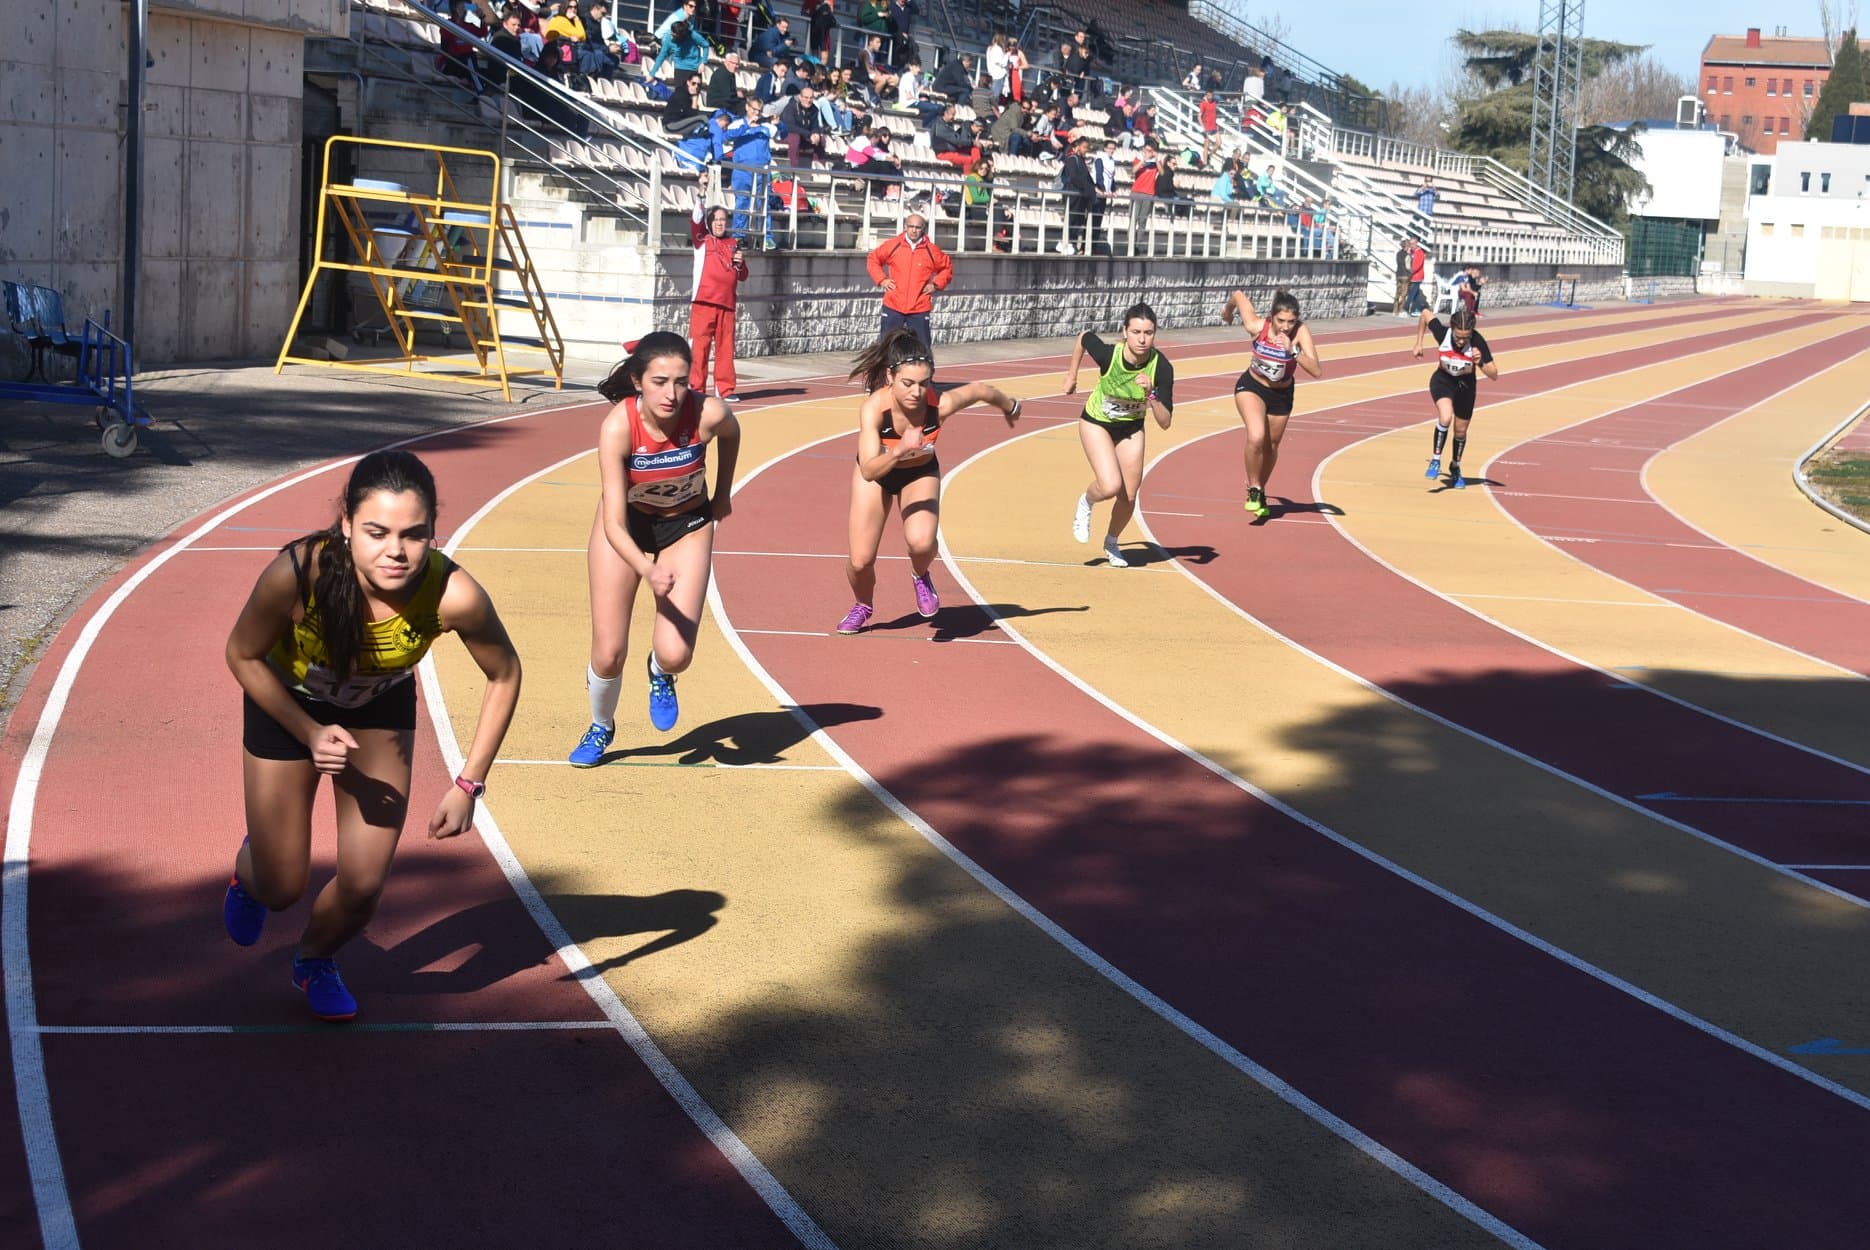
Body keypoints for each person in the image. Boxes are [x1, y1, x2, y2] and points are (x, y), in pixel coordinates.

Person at [221, 451, 522, 1022]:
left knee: (363, 886)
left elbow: (505, 674)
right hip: (286, 705)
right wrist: (310, 732)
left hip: (376, 710)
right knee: (281, 886)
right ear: (347, 525)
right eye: (377, 532)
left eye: (414, 534)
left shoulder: (453, 595)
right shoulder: (298, 573)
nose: (396, 551)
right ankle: (251, 869)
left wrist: (469, 783)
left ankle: (314, 960)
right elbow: (241, 654)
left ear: (433, 533)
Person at [569, 334, 741, 764]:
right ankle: (600, 726)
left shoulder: (708, 413)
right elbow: (612, 523)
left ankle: (660, 672)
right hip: (626, 526)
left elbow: (732, 432)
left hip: (686, 525)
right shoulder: (618, 427)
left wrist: (723, 492)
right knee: (608, 652)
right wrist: (646, 571)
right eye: (660, 382)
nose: (671, 394)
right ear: (638, 381)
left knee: (676, 653)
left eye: (681, 382)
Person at [835, 331, 1022, 634]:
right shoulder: (874, 408)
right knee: (860, 561)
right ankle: (863, 605)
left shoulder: (940, 405)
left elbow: (979, 390)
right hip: (877, 475)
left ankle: (920, 574)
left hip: (919, 473)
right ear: (890, 377)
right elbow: (868, 470)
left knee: (921, 542)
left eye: (924, 383)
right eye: (908, 383)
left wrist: (1009, 405)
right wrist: (898, 450)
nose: (916, 392)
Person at [1064, 303, 1175, 567]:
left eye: (1148, 333)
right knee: (1110, 485)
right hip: (1097, 423)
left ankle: (1112, 542)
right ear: (1125, 331)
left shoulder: (1161, 367)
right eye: (1136, 332)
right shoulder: (1108, 355)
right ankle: (1086, 502)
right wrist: (1071, 376)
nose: (1142, 339)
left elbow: (1165, 422)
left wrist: (1151, 394)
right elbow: (1083, 337)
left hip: (1131, 428)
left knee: (1128, 496)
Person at [1222, 287, 1323, 520]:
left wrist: (1293, 350)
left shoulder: (1300, 333)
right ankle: (1253, 488)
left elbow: (1317, 370)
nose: (1285, 326)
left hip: (1281, 394)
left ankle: (1261, 490)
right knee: (1256, 436)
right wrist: (1227, 312)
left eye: (1291, 321)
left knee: (1271, 447)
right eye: (1281, 321)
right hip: (1253, 387)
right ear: (1272, 316)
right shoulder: (1257, 326)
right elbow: (1238, 295)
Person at [1412, 305, 1497, 489]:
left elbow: (1494, 374)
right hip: (1443, 381)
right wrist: (1419, 343)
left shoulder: (1477, 342)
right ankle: (1435, 460)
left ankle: (1455, 466)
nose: (1461, 341)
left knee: (1460, 431)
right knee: (1445, 417)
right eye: (1458, 336)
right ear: (1452, 328)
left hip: (1466, 387)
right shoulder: (1443, 334)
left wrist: (1480, 362)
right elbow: (1425, 313)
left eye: (1466, 337)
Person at [688, 192, 748, 400]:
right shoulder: (701, 240)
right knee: (700, 348)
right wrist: (700, 198)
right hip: (704, 303)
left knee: (725, 349)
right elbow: (696, 220)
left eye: (723, 220)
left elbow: (743, 276)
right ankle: (696, 389)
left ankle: (725, 389)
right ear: (709, 223)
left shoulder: (732, 243)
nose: (720, 224)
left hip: (727, 305)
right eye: (716, 220)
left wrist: (741, 263)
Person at [866, 213, 951, 346]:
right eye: (911, 226)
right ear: (905, 227)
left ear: (923, 229)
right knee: (887, 347)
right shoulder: (893, 245)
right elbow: (873, 259)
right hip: (894, 305)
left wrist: (935, 284)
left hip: (919, 307)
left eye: (917, 227)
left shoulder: (931, 250)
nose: (914, 230)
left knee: (922, 348)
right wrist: (882, 279)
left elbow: (946, 268)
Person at [1393, 235, 1413, 317]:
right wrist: (1411, 272)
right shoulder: (1407, 255)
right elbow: (1408, 267)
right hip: (1405, 275)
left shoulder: (1398, 254)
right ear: (1407, 246)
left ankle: (1395, 310)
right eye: (1409, 246)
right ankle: (1401, 310)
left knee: (1397, 292)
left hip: (1398, 274)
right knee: (1404, 294)